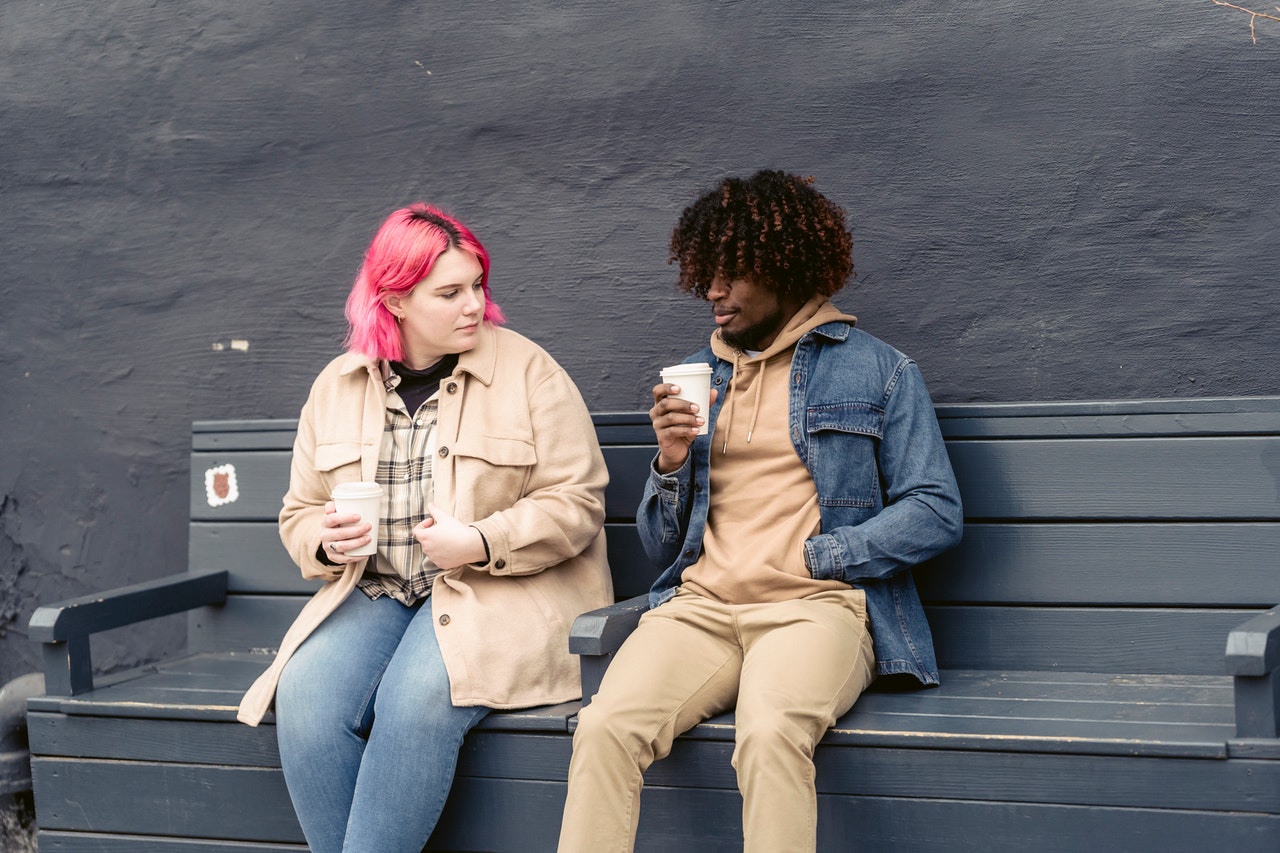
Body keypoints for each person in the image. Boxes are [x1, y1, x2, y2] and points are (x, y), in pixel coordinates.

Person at [557, 170, 963, 853]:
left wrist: (822, 555)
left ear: (785, 267)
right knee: (602, 728)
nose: (713, 291)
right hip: (700, 611)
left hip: (814, 609)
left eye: (732, 274)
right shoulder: (697, 375)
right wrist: (671, 462)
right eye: (706, 274)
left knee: (770, 733)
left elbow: (936, 509)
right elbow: (660, 546)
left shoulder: (879, 370)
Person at [236, 203, 613, 852]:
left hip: (495, 593)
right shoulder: (335, 387)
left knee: (415, 704)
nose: (475, 305)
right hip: (377, 591)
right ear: (395, 300)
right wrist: (327, 540)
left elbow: (576, 501)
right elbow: (300, 511)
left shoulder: (529, 372)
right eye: (449, 292)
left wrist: (483, 540)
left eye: (477, 285)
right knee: (304, 699)